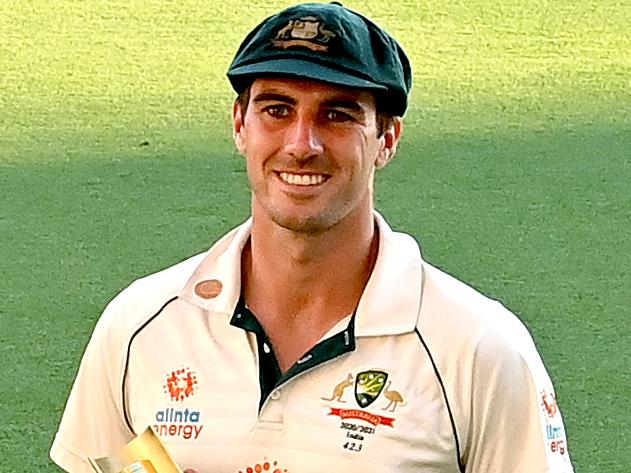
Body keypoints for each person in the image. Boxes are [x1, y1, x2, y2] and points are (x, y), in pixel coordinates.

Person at [50, 2, 574, 472]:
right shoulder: (141, 324)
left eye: (338, 115)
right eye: (277, 110)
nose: (302, 144)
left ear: (386, 138)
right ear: (240, 125)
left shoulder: (479, 349)